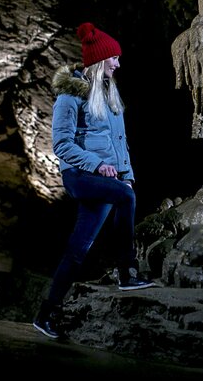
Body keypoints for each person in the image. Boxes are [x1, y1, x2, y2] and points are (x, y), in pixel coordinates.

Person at [33, 21, 155, 340]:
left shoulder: (109, 93)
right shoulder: (71, 94)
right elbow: (61, 144)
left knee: (79, 248)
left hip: (103, 177)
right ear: (100, 60)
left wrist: (125, 177)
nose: (118, 63)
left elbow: (119, 141)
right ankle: (127, 271)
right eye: (113, 58)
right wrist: (97, 165)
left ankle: (46, 314)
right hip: (79, 176)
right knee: (126, 199)